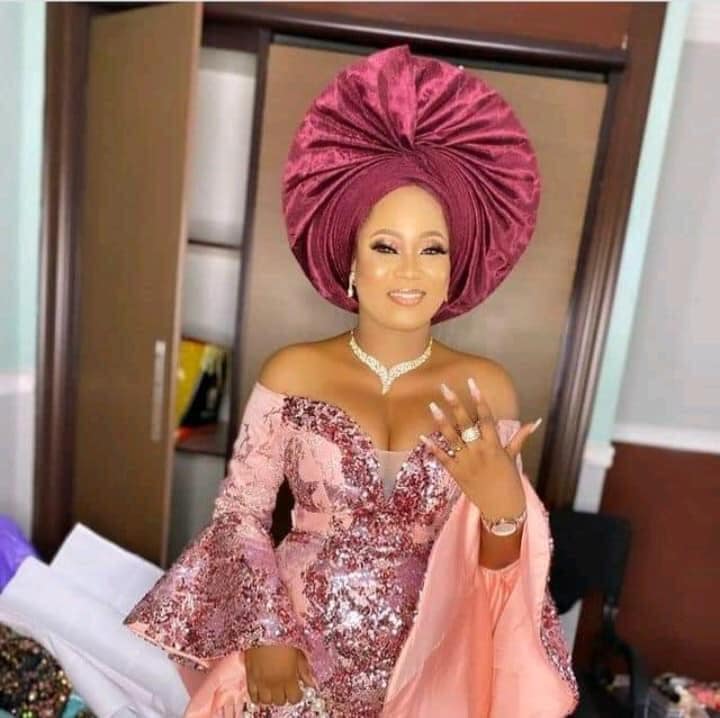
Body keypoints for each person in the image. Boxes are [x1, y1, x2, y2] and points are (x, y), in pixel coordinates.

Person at [123, 45, 580, 717]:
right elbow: (240, 516)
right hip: (295, 669)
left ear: (453, 268)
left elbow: (498, 575)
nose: (410, 270)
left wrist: (504, 510)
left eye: (432, 249)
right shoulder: (294, 371)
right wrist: (266, 632)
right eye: (386, 246)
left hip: (429, 675)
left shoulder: (484, 389)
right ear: (351, 260)